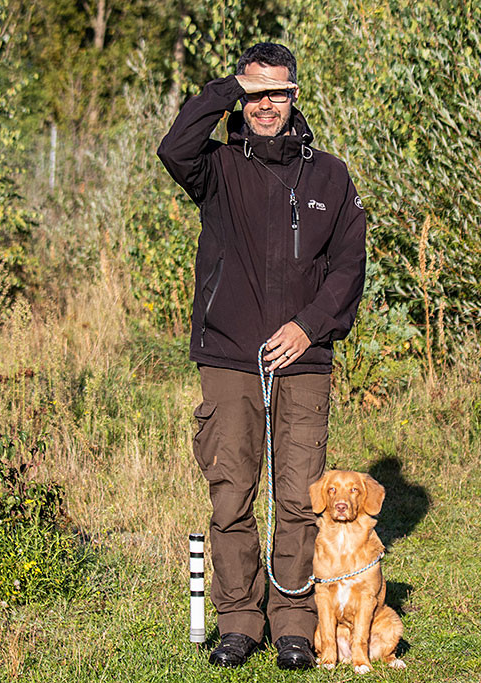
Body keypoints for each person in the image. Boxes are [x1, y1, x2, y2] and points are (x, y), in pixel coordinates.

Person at [157, 42, 366, 670]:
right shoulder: (216, 168)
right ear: (241, 97)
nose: (266, 104)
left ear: (296, 94)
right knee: (232, 494)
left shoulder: (330, 175)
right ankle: (240, 621)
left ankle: (295, 621)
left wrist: (309, 326)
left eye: (278, 92)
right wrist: (229, 88)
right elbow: (174, 146)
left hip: (303, 361)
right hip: (229, 356)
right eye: (255, 93)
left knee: (301, 497)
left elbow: (348, 268)